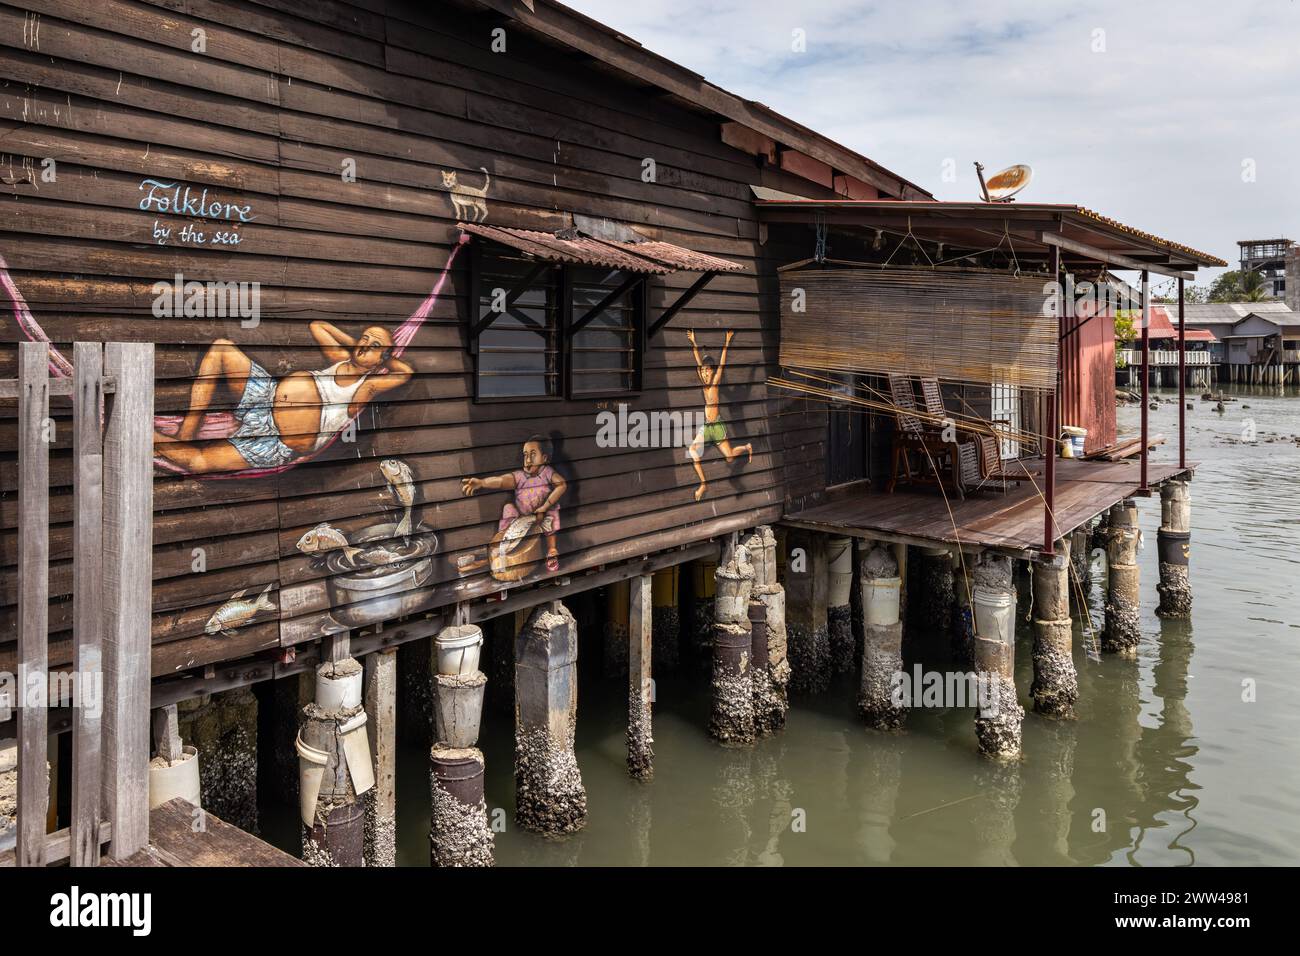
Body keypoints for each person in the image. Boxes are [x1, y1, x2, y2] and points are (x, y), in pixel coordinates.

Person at [154, 321, 413, 474]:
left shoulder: (367, 386)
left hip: (276, 442)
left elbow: (405, 372)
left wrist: (382, 356)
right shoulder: (339, 359)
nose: (365, 345)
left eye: (374, 346)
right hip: (264, 401)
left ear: (383, 359)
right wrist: (358, 343)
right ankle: (189, 428)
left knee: (200, 463)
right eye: (364, 339)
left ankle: (148, 438)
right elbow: (318, 326)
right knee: (222, 347)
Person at [462, 435, 568, 573]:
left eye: (533, 454)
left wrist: (545, 506)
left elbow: (562, 485)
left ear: (545, 459)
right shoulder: (519, 476)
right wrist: (482, 483)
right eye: (525, 455)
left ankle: (552, 549)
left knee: (553, 512)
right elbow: (501, 481)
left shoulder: (547, 473)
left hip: (542, 515)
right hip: (522, 518)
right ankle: (503, 545)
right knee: (508, 508)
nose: (528, 459)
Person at [686, 329, 752, 501]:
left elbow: (722, 364)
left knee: (730, 457)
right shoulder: (703, 382)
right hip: (707, 426)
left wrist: (727, 343)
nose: (706, 373)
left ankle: (746, 447)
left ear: (712, 372)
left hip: (717, 426)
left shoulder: (714, 383)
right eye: (704, 371)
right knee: (692, 450)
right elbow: (698, 360)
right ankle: (703, 484)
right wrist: (694, 342)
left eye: (708, 371)